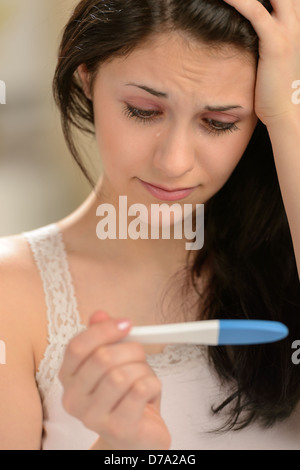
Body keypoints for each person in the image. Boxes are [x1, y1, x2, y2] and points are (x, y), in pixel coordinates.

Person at [0, 0, 299, 450]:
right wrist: (122, 449)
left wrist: (289, 115)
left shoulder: (284, 257)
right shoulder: (10, 293)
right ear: (86, 78)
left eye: (218, 123)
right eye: (143, 110)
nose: (174, 162)